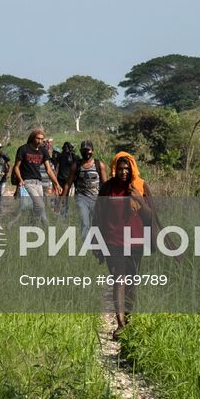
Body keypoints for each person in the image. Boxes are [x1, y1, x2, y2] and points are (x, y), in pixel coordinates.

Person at [98, 151, 154, 335]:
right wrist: (96, 243)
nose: (123, 172)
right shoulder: (108, 189)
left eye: (126, 169)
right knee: (118, 280)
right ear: (115, 169)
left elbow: (151, 216)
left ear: (132, 169)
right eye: (120, 168)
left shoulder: (140, 186)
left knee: (131, 282)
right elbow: (98, 216)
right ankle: (121, 324)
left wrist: (138, 199)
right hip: (113, 241)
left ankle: (129, 320)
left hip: (135, 241)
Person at [10, 128, 61, 224]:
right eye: (38, 138)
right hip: (27, 182)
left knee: (39, 209)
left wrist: (57, 184)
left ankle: (31, 225)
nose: (40, 141)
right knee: (40, 206)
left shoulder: (43, 151)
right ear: (33, 138)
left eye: (42, 139)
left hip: (39, 183)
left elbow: (49, 170)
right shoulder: (23, 149)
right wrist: (20, 180)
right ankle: (41, 224)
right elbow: (16, 167)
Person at [68, 140, 106, 236]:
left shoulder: (99, 165)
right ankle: (85, 246)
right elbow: (68, 184)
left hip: (96, 198)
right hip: (81, 198)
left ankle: (98, 245)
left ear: (92, 150)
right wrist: (62, 199)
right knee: (85, 223)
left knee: (98, 223)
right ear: (80, 151)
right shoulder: (76, 165)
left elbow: (105, 184)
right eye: (83, 150)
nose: (86, 152)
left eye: (88, 150)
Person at [53, 141, 78, 214]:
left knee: (62, 196)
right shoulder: (73, 156)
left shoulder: (62, 156)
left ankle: (61, 212)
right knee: (64, 196)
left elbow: (57, 167)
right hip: (66, 179)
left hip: (65, 179)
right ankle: (62, 212)